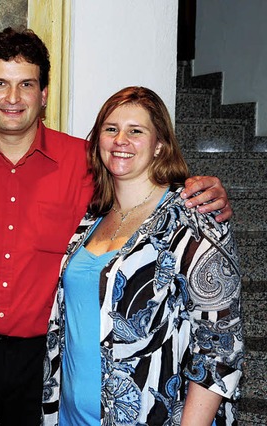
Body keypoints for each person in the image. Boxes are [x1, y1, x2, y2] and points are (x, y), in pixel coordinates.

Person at [0, 28, 233, 426]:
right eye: (0, 84)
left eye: (26, 85)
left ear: (44, 94)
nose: (13, 99)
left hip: (51, 362)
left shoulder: (92, 165)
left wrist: (202, 188)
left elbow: (147, 189)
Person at [42, 86, 244, 425]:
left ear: (160, 145)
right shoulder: (92, 218)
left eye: (136, 131)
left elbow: (220, 347)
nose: (121, 139)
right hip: (69, 415)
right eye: (111, 129)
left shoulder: (194, 217)